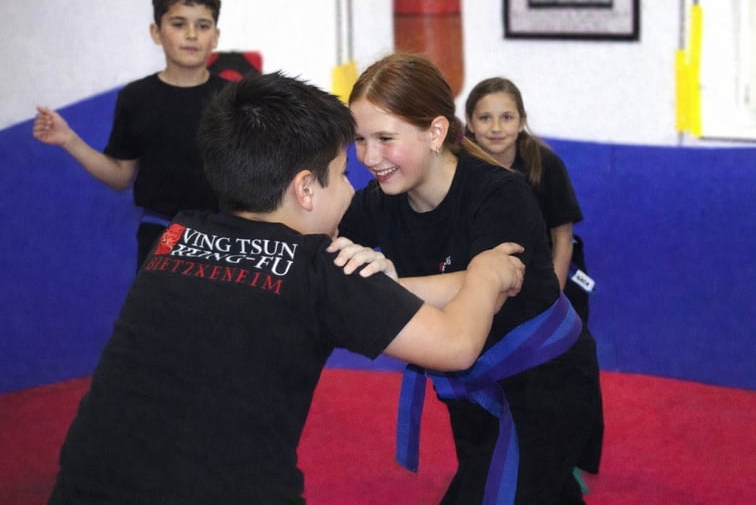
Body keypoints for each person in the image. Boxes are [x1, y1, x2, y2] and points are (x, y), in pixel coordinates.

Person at [46, 71, 526, 505]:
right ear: (305, 189)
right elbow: (457, 345)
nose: (350, 190)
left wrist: (391, 281)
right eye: (342, 175)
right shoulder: (318, 269)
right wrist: (486, 273)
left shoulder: (176, 237)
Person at [338, 53, 601, 504]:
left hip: (546, 385)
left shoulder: (500, 194)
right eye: (360, 140)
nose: (369, 157)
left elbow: (488, 286)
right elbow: (325, 249)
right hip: (470, 387)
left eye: (385, 138)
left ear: (435, 132)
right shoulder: (380, 201)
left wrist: (387, 283)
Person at [33, 0, 229, 270]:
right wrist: (69, 140)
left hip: (226, 237)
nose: (191, 34)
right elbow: (120, 177)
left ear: (215, 36)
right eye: (178, 24)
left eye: (203, 25)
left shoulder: (235, 99)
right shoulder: (137, 97)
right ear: (156, 32)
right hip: (160, 235)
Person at [465, 76, 604, 483]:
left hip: (551, 276)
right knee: (493, 372)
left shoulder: (544, 164)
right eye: (485, 118)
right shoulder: (461, 165)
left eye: (506, 117)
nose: (496, 127)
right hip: (493, 282)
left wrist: (553, 296)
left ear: (522, 120)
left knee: (567, 368)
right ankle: (492, 454)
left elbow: (562, 236)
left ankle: (568, 458)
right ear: (469, 122)